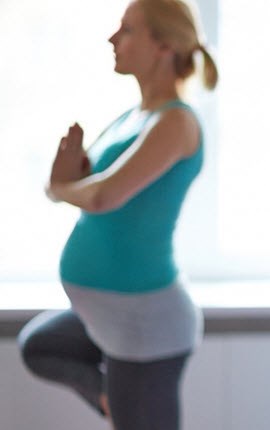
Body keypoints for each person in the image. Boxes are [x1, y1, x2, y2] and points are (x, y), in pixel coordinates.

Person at [17, 1, 217, 429]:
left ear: (163, 44)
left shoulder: (176, 123)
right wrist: (68, 180)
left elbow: (105, 197)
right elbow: (90, 187)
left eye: (126, 30)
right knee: (38, 346)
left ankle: (124, 398)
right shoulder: (135, 117)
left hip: (145, 327)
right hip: (107, 317)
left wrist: (59, 188)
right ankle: (115, 396)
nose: (112, 39)